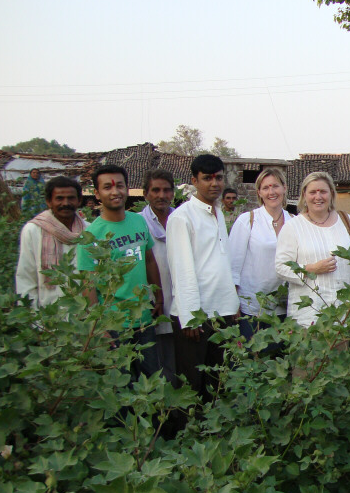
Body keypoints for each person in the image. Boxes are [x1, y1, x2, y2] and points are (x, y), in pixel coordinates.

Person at [76, 164, 163, 376]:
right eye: (107, 187)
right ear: (97, 193)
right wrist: (100, 327)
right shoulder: (91, 236)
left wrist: (158, 297)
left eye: (120, 186)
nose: (115, 192)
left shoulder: (138, 221)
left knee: (150, 379)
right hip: (114, 324)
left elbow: (149, 260)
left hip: (143, 319)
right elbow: (88, 284)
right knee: (122, 385)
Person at [166, 154, 240, 396]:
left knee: (215, 380)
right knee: (190, 385)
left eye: (218, 178)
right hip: (196, 317)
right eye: (207, 178)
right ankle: (188, 433)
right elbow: (182, 269)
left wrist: (233, 303)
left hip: (221, 310)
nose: (214, 184)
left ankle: (211, 432)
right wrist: (190, 317)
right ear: (194, 181)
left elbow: (223, 261)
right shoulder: (182, 216)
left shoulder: (217, 212)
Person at [275, 170, 350, 327]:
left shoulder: (345, 220)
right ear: (304, 195)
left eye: (323, 192)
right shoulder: (293, 226)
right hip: (308, 316)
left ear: (331, 194)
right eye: (312, 192)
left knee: (342, 350)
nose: (318, 197)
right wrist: (311, 269)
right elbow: (281, 267)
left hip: (343, 313)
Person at [229, 168, 293, 339]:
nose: (271, 192)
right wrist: (234, 303)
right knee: (254, 359)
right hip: (252, 307)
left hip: (283, 307)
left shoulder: (295, 222)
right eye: (265, 188)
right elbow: (233, 266)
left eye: (275, 186)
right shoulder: (248, 220)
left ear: (284, 188)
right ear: (259, 192)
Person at [16, 175, 86, 307]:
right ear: (49, 202)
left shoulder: (89, 230)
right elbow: (26, 277)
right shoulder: (33, 230)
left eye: (71, 198)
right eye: (59, 198)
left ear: (79, 201)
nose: (65, 203)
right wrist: (33, 319)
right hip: (49, 314)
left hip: (84, 316)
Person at [141, 169, 177, 379]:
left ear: (172, 193)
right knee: (153, 367)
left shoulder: (180, 218)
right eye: (155, 190)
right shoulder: (138, 223)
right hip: (152, 304)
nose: (161, 195)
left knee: (176, 364)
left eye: (166, 190)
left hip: (178, 303)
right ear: (146, 194)